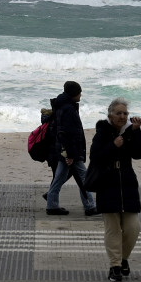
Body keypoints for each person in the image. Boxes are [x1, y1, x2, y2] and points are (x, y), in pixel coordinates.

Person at [89, 97, 141, 282]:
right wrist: (113, 146)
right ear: (110, 115)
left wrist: (136, 132)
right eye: (118, 113)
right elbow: (96, 158)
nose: (122, 116)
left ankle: (123, 259)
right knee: (112, 229)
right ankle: (115, 266)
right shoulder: (102, 132)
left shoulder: (131, 131)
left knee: (133, 228)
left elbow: (139, 154)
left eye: (125, 113)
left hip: (128, 183)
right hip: (107, 184)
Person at [46, 81, 98, 216]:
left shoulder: (62, 105)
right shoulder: (68, 109)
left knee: (59, 178)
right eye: (79, 92)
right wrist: (70, 154)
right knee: (83, 177)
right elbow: (67, 134)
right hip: (70, 150)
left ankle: (51, 205)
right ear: (74, 94)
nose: (81, 95)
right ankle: (90, 206)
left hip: (64, 149)